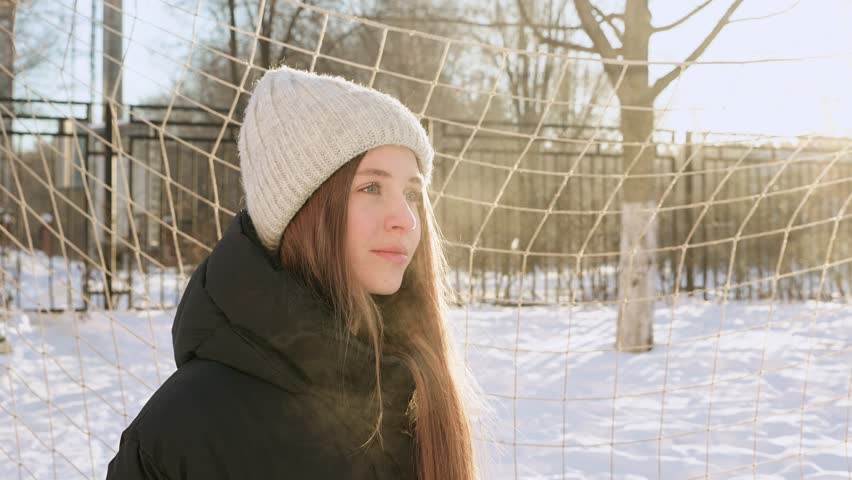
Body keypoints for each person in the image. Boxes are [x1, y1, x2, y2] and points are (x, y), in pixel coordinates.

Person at [105, 65, 482, 479]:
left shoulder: (412, 390)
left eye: (411, 192)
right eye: (371, 187)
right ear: (303, 211)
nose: (406, 220)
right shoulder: (180, 431)